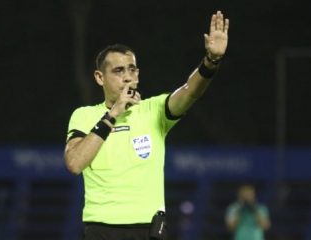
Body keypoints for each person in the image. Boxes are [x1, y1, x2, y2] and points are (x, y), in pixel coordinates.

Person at [64, 11, 229, 240]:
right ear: (99, 78)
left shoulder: (155, 110)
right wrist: (112, 115)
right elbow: (74, 163)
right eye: (118, 71)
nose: (127, 77)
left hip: (148, 230)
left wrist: (211, 61)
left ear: (138, 75)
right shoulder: (84, 115)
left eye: (132, 69)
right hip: (101, 230)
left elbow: (190, 91)